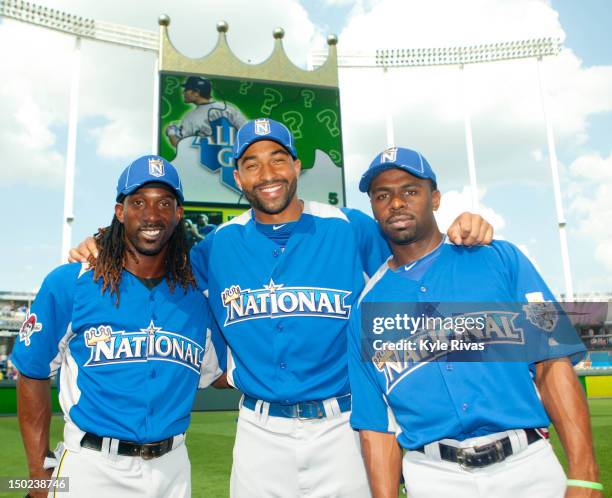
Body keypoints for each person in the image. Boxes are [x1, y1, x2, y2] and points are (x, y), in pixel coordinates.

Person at [70, 118, 494, 498]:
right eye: (252, 164)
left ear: (296, 166)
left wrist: (465, 225)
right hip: (260, 432)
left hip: (343, 426)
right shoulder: (215, 247)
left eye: (277, 159)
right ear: (237, 176)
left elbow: (416, 257)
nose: (267, 173)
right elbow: (152, 260)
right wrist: (98, 245)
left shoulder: (351, 228)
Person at [348, 147, 602, 498]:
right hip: (434, 478)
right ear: (374, 209)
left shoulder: (500, 257)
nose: (396, 202)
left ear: (434, 199)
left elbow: (553, 361)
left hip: (528, 468)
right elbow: (377, 428)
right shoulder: (366, 308)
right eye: (382, 195)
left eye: (410, 190)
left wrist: (584, 474)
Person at [11, 155, 223, 498]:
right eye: (138, 202)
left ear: (178, 213)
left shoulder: (196, 295)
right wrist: (37, 474)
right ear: (119, 212)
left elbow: (220, 373)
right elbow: (32, 371)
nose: (152, 215)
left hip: (173, 469)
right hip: (91, 468)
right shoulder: (71, 282)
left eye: (164, 203)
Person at [166, 76, 247, 148]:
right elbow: (246, 131)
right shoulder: (228, 109)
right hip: (230, 161)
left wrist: (171, 132)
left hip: (203, 164)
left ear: (196, 92)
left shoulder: (190, 117)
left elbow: (180, 145)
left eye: (186, 89)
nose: (183, 92)